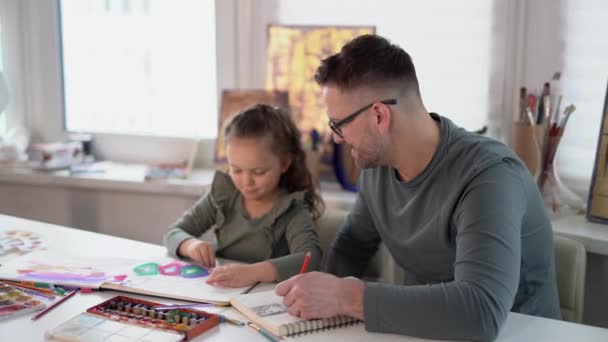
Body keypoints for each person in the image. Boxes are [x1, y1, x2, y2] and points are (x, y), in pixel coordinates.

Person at [275, 34, 561, 341]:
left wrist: (347, 297)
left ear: (379, 116)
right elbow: (352, 247)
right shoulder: (377, 168)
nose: (336, 138)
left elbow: (480, 311)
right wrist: (312, 297)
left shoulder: (489, 176)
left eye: (338, 125)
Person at [164, 104, 323, 288]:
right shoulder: (223, 194)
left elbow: (310, 259)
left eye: (258, 171)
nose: (246, 182)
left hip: (264, 299)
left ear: (284, 163)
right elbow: (172, 233)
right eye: (236, 169)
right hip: (218, 292)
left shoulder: (292, 208)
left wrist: (252, 272)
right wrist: (190, 245)